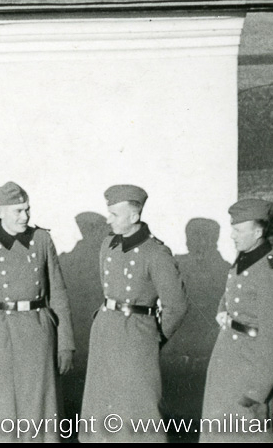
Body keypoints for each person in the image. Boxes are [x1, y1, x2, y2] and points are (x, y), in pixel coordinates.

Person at [0, 181, 75, 442]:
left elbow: (58, 293)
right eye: (18, 211)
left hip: (38, 333)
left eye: (27, 209)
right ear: (1, 211)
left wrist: (65, 343)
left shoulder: (42, 239)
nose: (25, 216)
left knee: (39, 410)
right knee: (0, 411)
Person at [79, 184, 188, 442]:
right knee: (102, 402)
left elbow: (177, 305)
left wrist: (154, 337)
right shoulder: (109, 245)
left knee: (138, 406)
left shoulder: (156, 253)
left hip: (138, 335)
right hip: (105, 331)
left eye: (115, 214)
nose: (108, 219)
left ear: (134, 216)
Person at [200, 198, 273, 443]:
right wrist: (224, 310)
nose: (232, 235)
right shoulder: (247, 257)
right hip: (232, 356)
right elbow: (233, 291)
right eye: (233, 228)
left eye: (239, 230)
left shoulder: (268, 270)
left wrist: (257, 391)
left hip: (254, 365)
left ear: (258, 231)